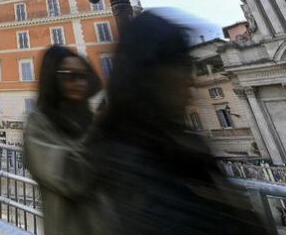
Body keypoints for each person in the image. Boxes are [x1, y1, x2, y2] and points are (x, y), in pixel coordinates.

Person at [88, 12, 268, 234]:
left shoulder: (176, 141)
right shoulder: (125, 160)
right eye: (180, 65)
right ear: (149, 74)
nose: (191, 79)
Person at [22, 45, 103, 235]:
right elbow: (71, 177)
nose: (81, 83)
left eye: (83, 76)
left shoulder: (87, 120)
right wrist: (101, 134)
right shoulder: (38, 123)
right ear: (53, 79)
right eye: (70, 75)